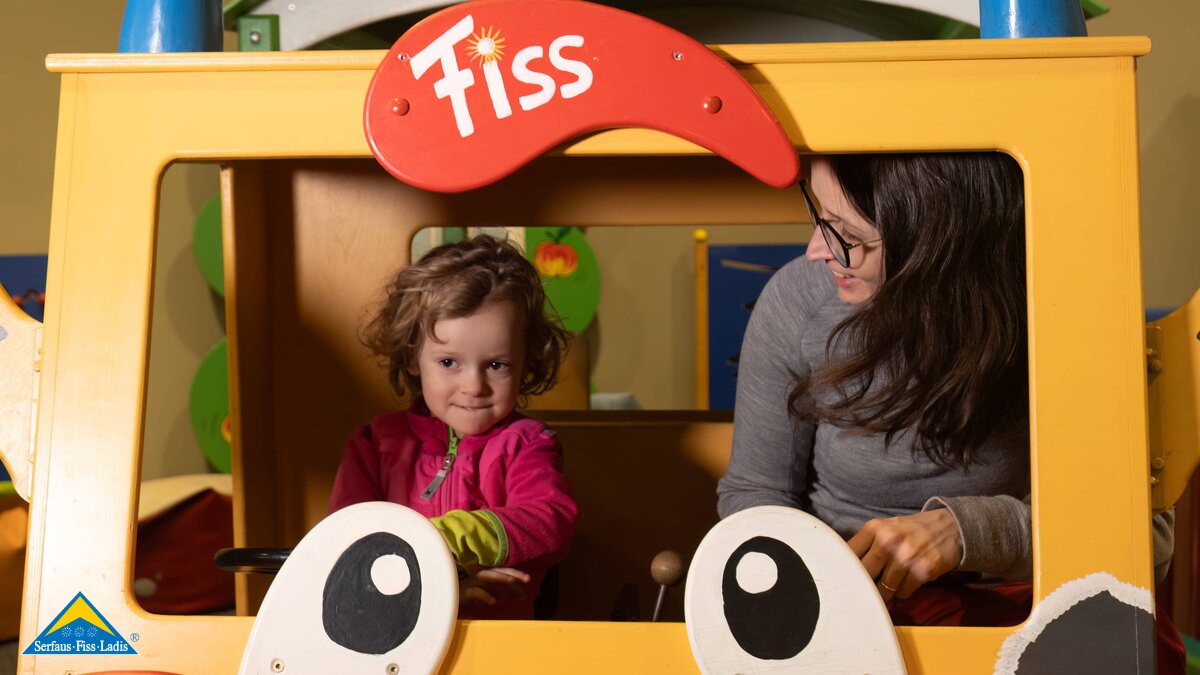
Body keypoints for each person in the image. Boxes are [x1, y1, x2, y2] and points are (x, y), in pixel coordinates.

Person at [716, 153, 1182, 668]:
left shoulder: (1065, 306)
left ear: (935, 243)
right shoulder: (798, 300)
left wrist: (965, 533)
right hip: (853, 602)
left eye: (846, 234)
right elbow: (756, 493)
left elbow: (1149, 542)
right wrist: (816, 583)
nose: (815, 251)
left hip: (1034, 601)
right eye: (818, 217)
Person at [328, 234, 578, 620]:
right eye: (449, 363)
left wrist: (459, 537)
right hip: (396, 635)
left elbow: (551, 519)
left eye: (496, 365)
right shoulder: (374, 445)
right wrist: (440, 569)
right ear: (413, 356)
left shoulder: (528, 444)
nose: (473, 386)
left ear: (526, 361)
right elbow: (347, 544)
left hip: (497, 641)